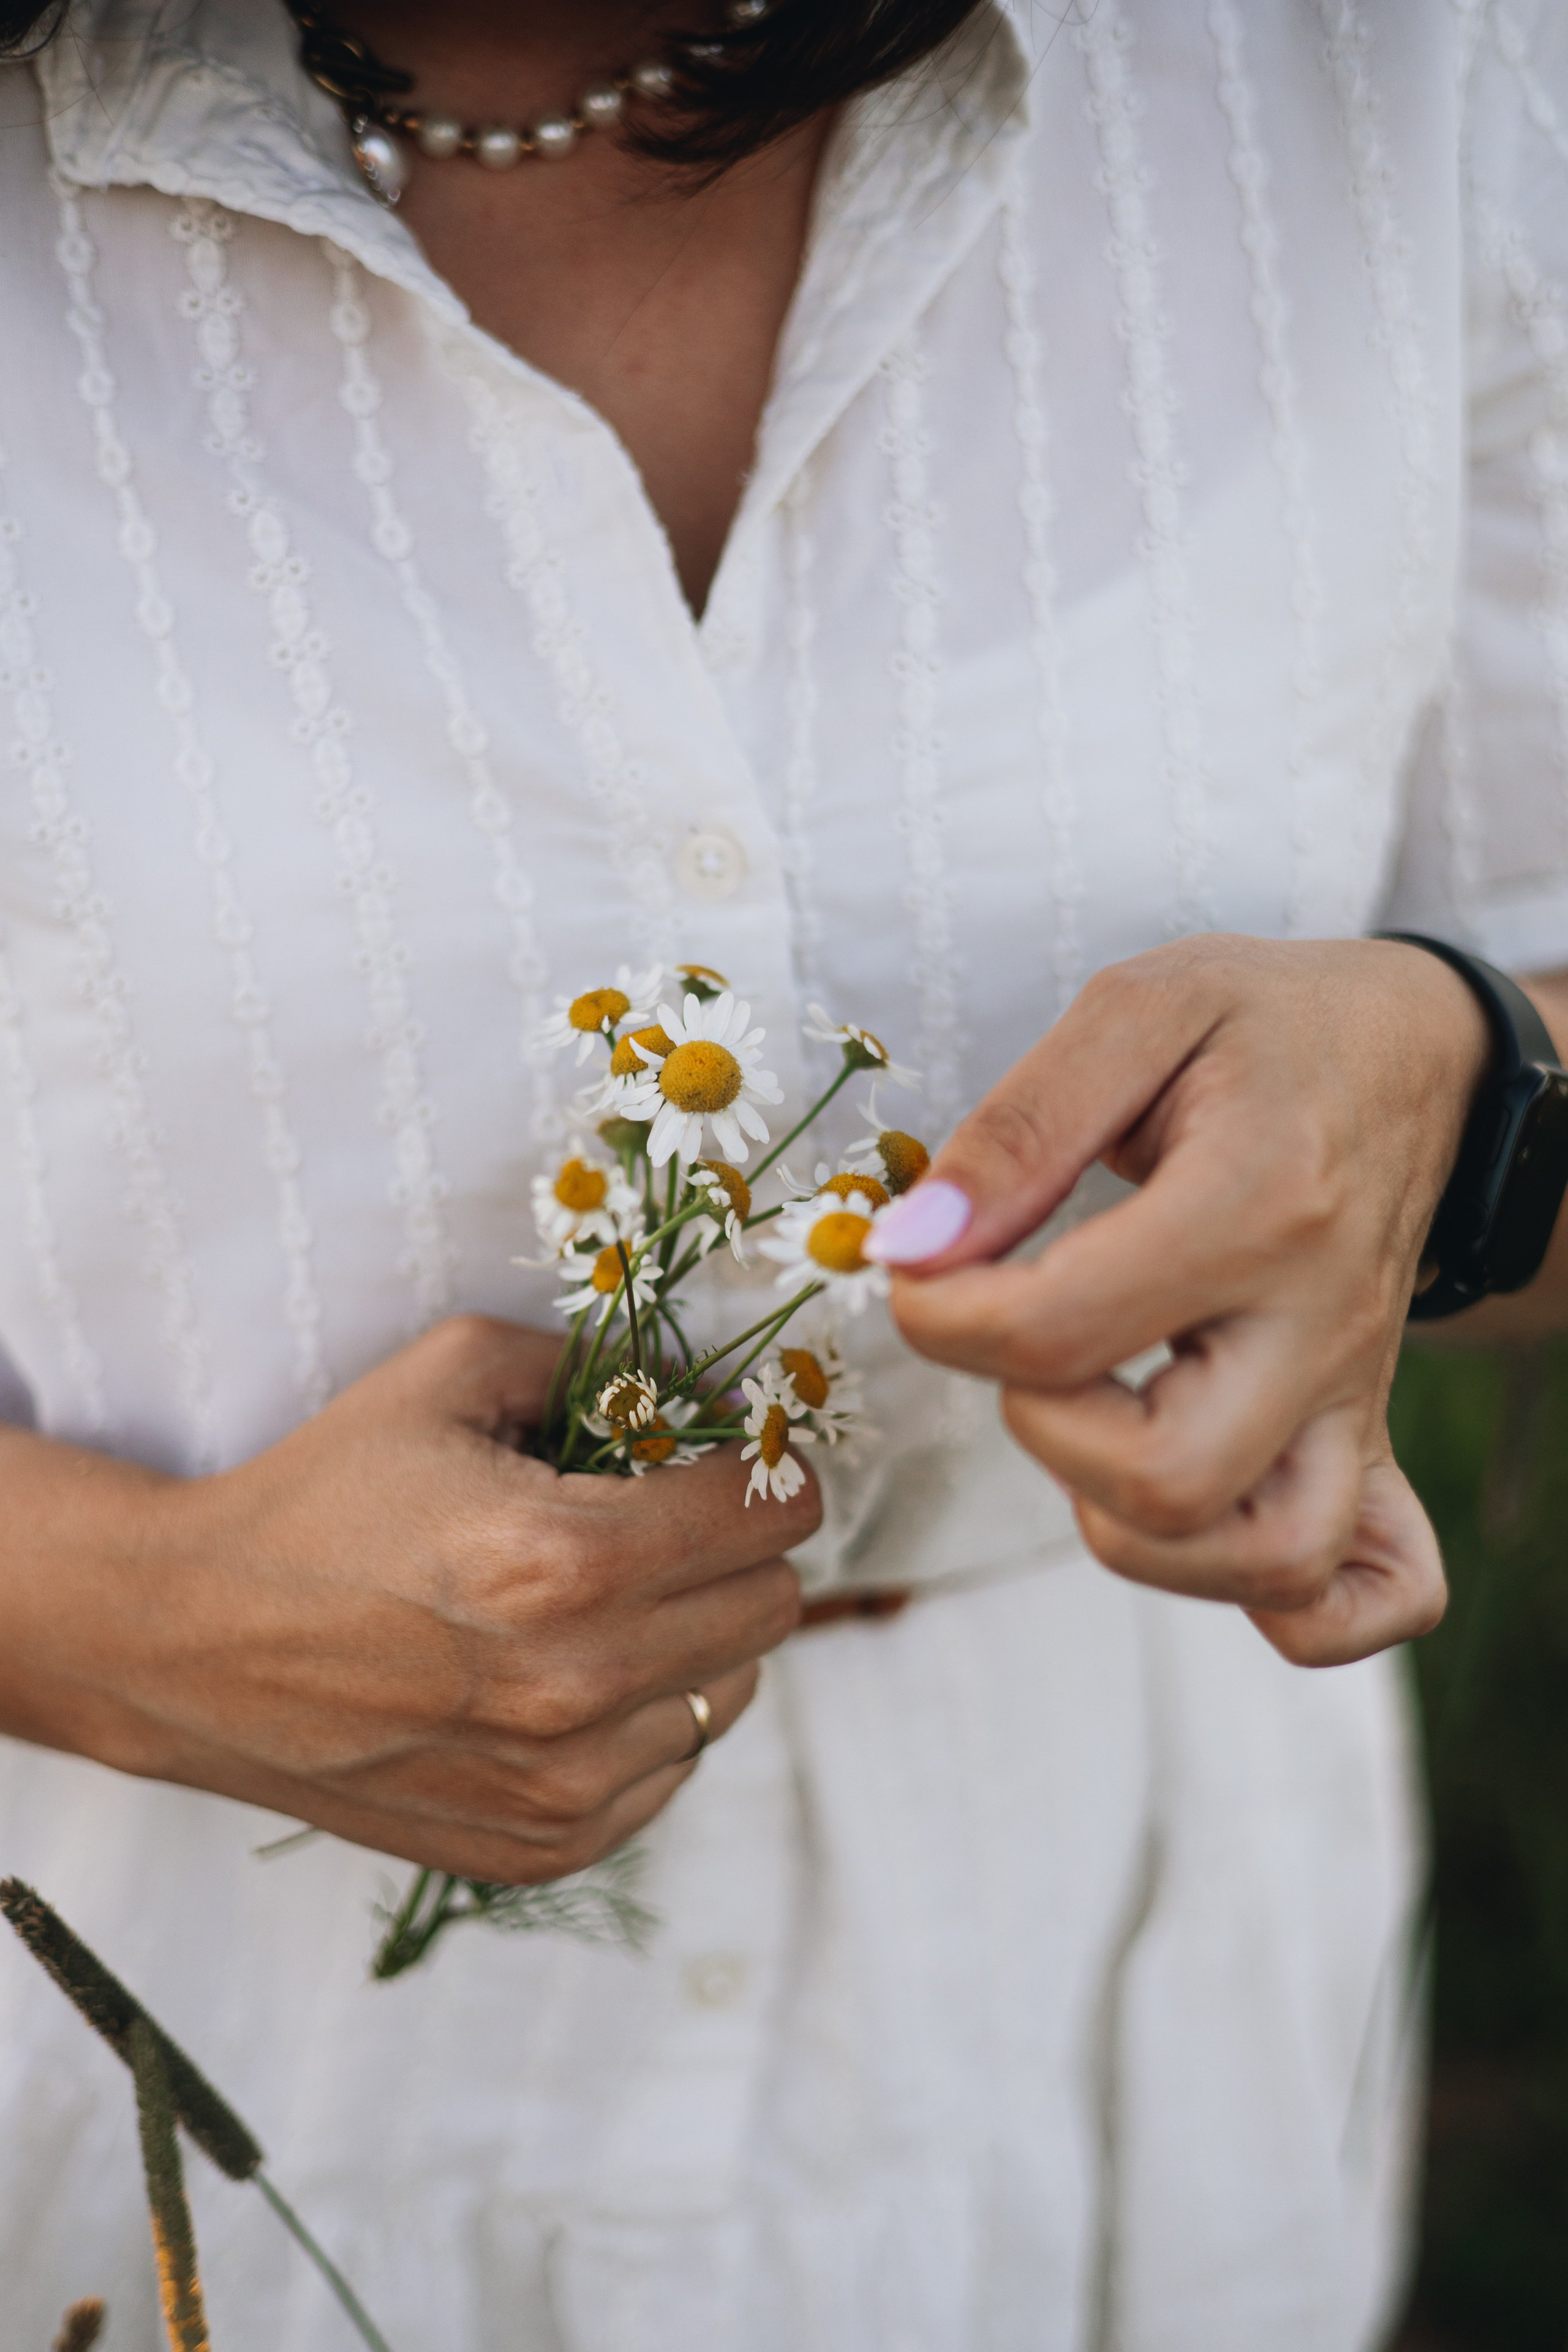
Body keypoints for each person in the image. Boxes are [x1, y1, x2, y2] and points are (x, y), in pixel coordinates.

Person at [1, 0, 1566, 2343]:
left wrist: (1465, 1091)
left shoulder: (1412, 68)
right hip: (127, 2038)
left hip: (1098, 2021)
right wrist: (91, 1612)